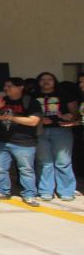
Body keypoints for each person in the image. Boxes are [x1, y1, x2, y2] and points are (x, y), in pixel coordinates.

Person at [0, 77, 43, 206]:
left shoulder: (30, 101)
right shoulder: (0, 100)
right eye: (5, 86)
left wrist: (11, 117)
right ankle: (2, 191)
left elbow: (33, 121)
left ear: (20, 87)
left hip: (24, 142)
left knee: (26, 169)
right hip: (0, 140)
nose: (6, 88)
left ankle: (30, 194)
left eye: (10, 86)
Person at [34, 72, 79, 201]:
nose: (46, 82)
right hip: (40, 130)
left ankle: (66, 191)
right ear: (38, 81)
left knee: (63, 161)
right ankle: (45, 191)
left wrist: (67, 117)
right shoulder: (32, 95)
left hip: (61, 130)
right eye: (43, 79)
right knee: (44, 162)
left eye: (49, 79)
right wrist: (39, 120)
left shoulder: (64, 94)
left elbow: (75, 113)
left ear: (55, 81)